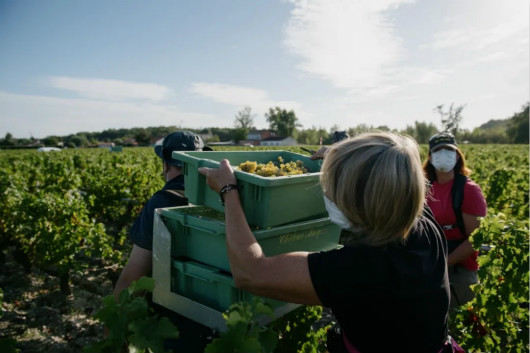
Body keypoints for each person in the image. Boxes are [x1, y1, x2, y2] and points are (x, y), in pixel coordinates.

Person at [198, 132, 455, 353]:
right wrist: (345, 157)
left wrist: (228, 192)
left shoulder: (358, 268)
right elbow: (394, 176)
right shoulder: (422, 225)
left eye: (336, 186)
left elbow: (250, 272)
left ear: (360, 202)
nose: (328, 192)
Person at [113, 130, 213, 352]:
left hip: (176, 324)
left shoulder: (161, 202)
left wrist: (115, 333)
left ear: (166, 165)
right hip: (221, 318)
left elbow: (133, 278)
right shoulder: (225, 197)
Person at [423, 132, 487, 308]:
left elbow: (476, 238)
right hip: (427, 265)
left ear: (457, 155)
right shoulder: (423, 189)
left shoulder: (468, 190)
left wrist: (444, 263)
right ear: (430, 157)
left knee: (455, 314)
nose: (443, 154)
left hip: (459, 268)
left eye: (449, 150)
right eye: (438, 150)